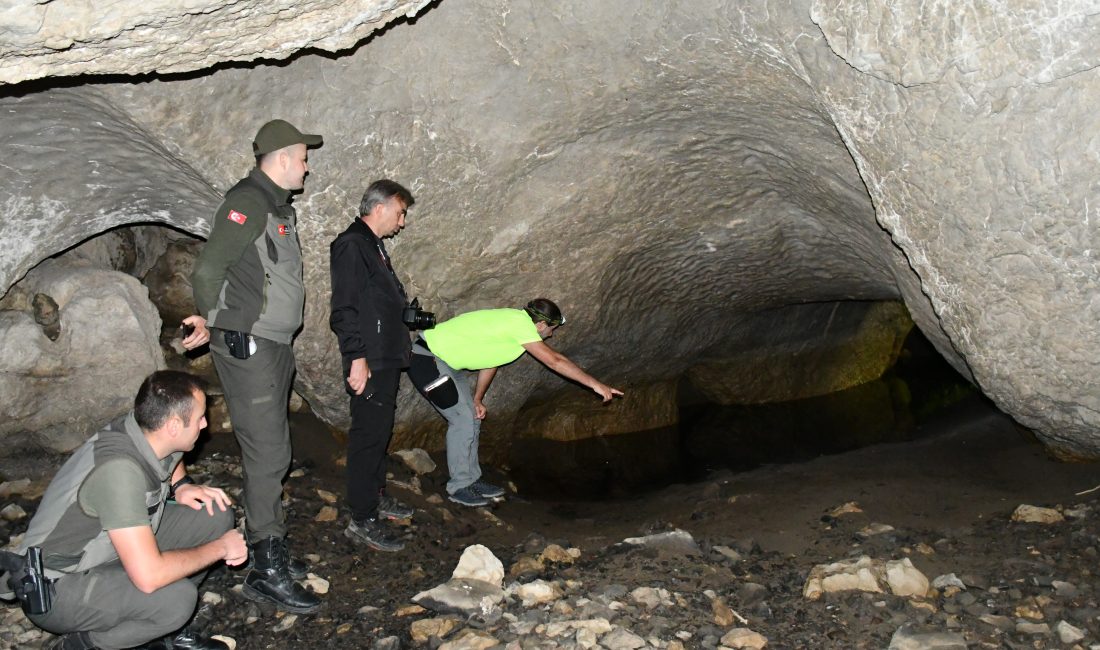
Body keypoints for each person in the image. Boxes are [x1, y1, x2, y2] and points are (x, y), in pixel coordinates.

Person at [187, 119, 322, 613]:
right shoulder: (247, 201)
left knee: (274, 446)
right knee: (268, 453)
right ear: (283, 156)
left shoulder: (274, 205)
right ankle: (266, 566)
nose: (307, 166)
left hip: (272, 342)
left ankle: (270, 540)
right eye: (303, 158)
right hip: (250, 342)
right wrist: (212, 319)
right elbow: (208, 268)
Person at [8, 371, 246, 650]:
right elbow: (149, 576)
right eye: (199, 418)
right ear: (172, 425)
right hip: (58, 587)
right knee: (177, 599)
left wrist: (180, 485)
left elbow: (173, 453)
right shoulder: (119, 473)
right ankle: (85, 644)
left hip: (107, 548)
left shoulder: (145, 426)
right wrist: (221, 548)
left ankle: (155, 627)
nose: (205, 424)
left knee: (214, 515)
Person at [410, 299, 624, 506]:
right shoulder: (519, 324)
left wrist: (477, 399)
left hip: (447, 363)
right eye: (551, 328)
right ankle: (459, 488)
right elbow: (555, 361)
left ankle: (471, 479)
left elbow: (490, 362)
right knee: (462, 420)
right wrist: (595, 384)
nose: (551, 334)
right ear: (540, 324)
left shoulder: (512, 326)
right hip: (426, 358)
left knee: (473, 416)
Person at [329, 179, 418, 552]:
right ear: (379, 208)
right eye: (400, 214)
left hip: (385, 355)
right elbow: (344, 309)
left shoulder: (373, 247)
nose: (402, 222)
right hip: (371, 357)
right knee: (368, 436)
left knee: (380, 431)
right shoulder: (352, 244)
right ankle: (362, 517)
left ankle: (376, 495)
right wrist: (356, 357)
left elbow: (377, 302)